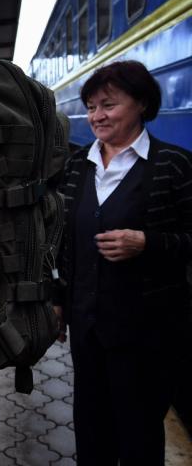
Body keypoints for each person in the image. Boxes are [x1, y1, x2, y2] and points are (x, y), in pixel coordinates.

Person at [55, 60, 192, 465]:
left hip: (148, 332)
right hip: (88, 328)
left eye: (108, 105)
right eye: (92, 106)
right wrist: (58, 298)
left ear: (141, 104)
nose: (97, 116)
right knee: (92, 432)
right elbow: (64, 242)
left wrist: (148, 242)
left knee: (139, 435)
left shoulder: (174, 166)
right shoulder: (77, 166)